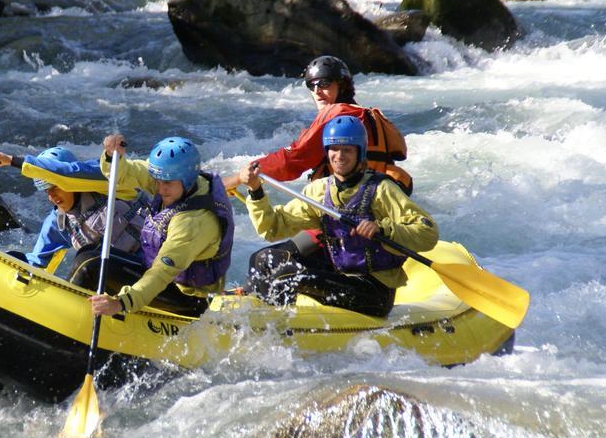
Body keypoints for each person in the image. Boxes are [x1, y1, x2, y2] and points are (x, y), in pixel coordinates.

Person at [238, 115, 437, 318]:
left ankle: (278, 329)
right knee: (264, 259)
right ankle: (259, 313)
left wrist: (383, 228)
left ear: (359, 153)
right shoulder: (320, 190)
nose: (339, 156)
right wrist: (255, 192)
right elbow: (273, 228)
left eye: (347, 150)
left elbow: (428, 232)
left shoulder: (381, 189)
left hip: (373, 290)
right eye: (334, 149)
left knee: (292, 279)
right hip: (339, 275)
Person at [88, 135, 235, 318]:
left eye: (166, 183)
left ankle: (91, 317)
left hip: (189, 300)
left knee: (91, 265)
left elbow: (161, 273)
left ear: (187, 179)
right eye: (157, 181)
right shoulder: (173, 182)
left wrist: (122, 302)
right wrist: (113, 156)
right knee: (90, 252)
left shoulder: (193, 222)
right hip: (165, 281)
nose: (160, 188)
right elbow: (129, 172)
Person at [223, 55, 412, 195]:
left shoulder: (337, 115)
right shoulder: (371, 115)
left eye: (325, 83)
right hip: (377, 203)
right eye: (311, 85)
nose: (317, 91)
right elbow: (400, 153)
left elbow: (292, 161)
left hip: (348, 210)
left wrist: (240, 177)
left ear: (343, 85)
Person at [0, 145, 147, 286]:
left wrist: (11, 160)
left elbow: (70, 172)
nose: (52, 196)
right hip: (117, 285)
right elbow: (36, 265)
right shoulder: (58, 222)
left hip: (152, 270)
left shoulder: (107, 184)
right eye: (47, 190)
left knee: (88, 260)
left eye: (55, 187)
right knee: (13, 258)